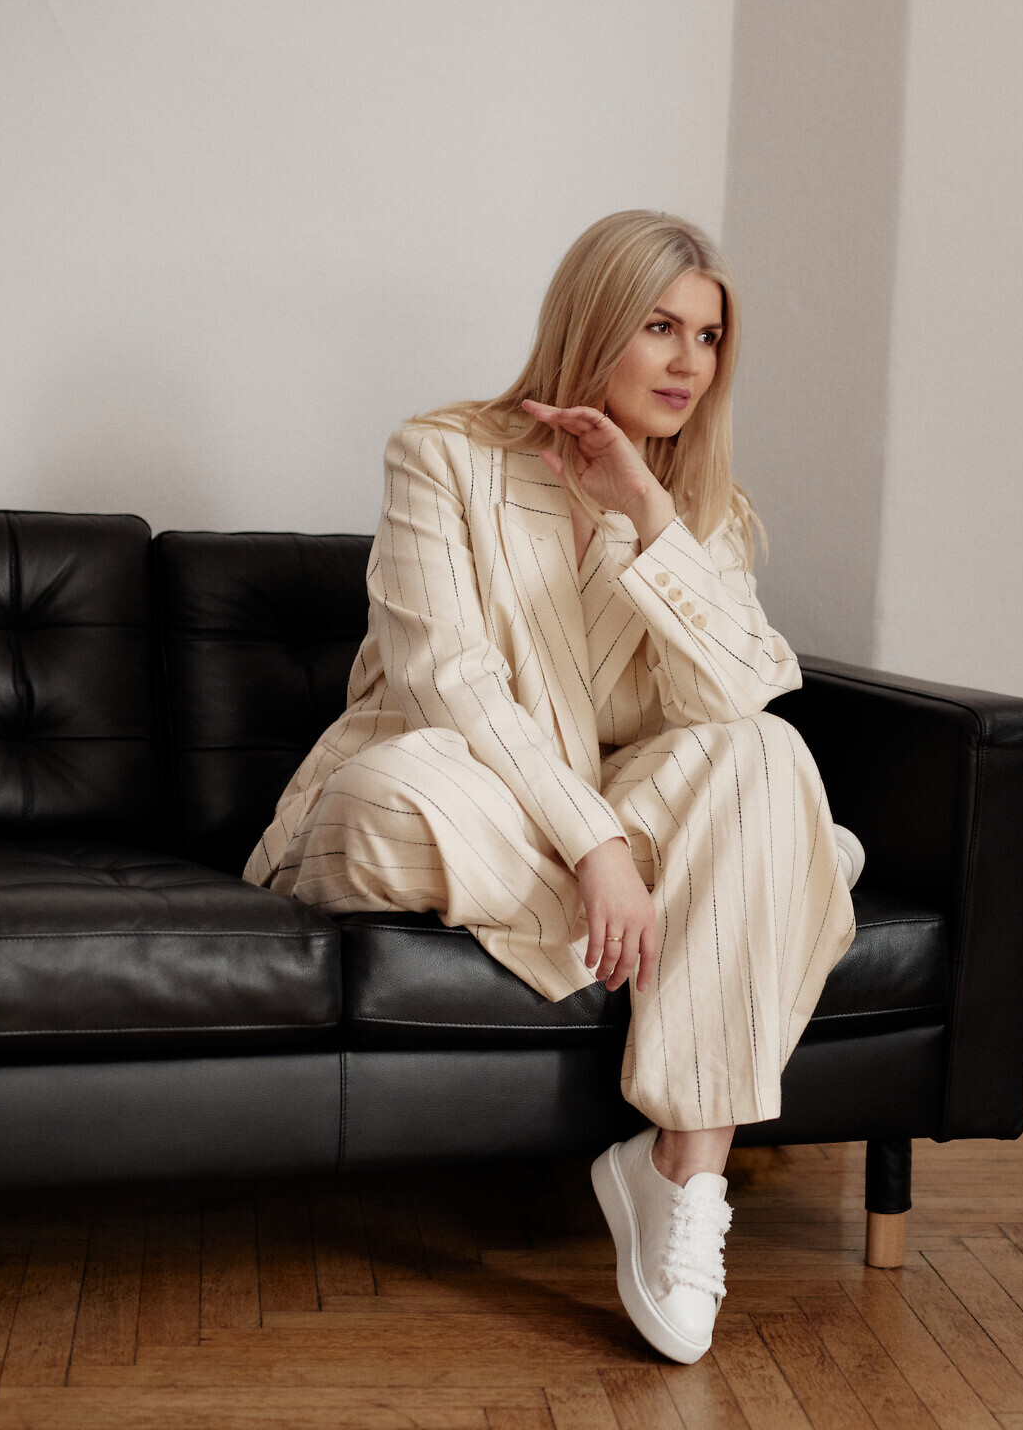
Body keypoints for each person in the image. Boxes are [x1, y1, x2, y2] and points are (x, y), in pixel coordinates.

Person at [243, 209, 861, 1364]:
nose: (688, 362)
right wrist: (596, 849)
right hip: (446, 799)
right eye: (660, 327)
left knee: (765, 759)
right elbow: (452, 682)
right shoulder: (442, 455)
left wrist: (652, 518)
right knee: (400, 784)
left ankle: (683, 1164)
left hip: (586, 827)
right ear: (595, 321)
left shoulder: (702, 515)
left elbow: (739, 697)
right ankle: (762, 893)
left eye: (709, 337)